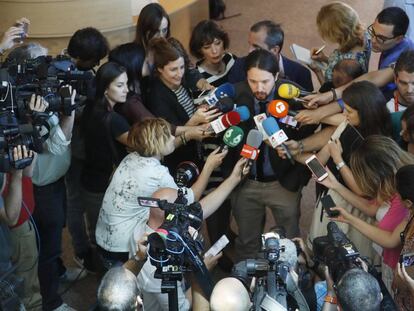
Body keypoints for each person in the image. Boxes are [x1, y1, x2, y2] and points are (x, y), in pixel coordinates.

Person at [95, 118, 226, 268]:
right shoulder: (158, 174)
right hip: (124, 250)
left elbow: (167, 147)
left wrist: (186, 136)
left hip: (103, 241)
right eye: (167, 137)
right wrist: (209, 166)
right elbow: (190, 198)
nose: (172, 138)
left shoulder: (129, 158)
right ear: (156, 143)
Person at [224, 49, 316, 261]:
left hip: (284, 183)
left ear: (276, 76)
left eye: (265, 81)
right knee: (247, 244)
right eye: (253, 81)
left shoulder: (294, 96)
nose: (259, 88)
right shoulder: (235, 94)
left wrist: (299, 178)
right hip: (245, 184)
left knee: (289, 246)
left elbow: (309, 134)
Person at [135, 153, 250, 311]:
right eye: (183, 212)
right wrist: (201, 271)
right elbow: (182, 308)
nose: (189, 215)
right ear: (170, 218)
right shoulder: (155, 267)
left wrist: (234, 178)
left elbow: (202, 209)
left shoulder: (148, 223)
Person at [319, 135, 414, 291]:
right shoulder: (397, 181)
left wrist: (350, 219)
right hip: (391, 262)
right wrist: (335, 185)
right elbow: (373, 208)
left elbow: (390, 240)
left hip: (400, 270)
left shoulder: (403, 194)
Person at [299, 7, 414, 125]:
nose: (373, 40)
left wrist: (322, 111)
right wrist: (330, 95)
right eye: (373, 32)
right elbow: (370, 78)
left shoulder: (404, 57)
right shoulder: (392, 43)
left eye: (381, 38)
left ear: (399, 38)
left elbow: (370, 84)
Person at [65, 27, 109, 274]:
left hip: (85, 148)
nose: (98, 65)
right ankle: (82, 251)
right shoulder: (66, 76)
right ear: (83, 57)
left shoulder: (81, 69)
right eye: (95, 60)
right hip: (73, 150)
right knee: (74, 201)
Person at [146, 37, 220, 173]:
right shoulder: (157, 97)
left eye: (181, 67)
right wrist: (195, 120)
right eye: (173, 69)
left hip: (197, 151)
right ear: (159, 69)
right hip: (179, 162)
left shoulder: (181, 80)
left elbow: (194, 76)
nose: (179, 73)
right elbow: (169, 139)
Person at [227, 20, 313, 91]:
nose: (249, 51)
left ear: (275, 50)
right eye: (250, 44)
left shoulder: (301, 74)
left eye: (256, 47)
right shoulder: (239, 66)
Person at [310, 1, 370, 85]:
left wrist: (318, 72)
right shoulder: (365, 35)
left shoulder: (346, 67)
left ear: (335, 33)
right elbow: (338, 63)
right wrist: (324, 58)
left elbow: (330, 93)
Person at [189, 19, 236, 87]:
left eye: (218, 43)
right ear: (199, 50)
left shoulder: (231, 59)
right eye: (207, 47)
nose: (214, 51)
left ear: (224, 41)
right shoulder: (198, 78)